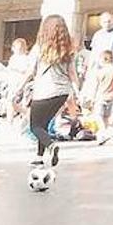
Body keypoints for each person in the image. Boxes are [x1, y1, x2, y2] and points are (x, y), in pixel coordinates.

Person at [25, 14, 79, 169]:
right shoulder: (68, 50)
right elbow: (72, 73)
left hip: (44, 91)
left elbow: (30, 71)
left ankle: (50, 145)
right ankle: (39, 156)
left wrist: (18, 89)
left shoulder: (39, 48)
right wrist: (77, 92)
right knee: (44, 123)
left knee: (35, 126)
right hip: (62, 93)